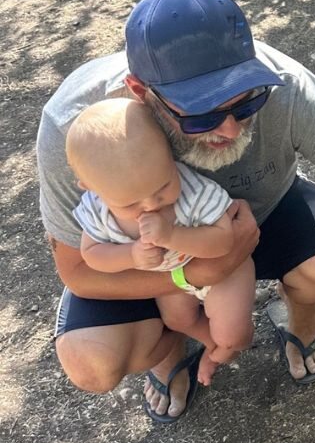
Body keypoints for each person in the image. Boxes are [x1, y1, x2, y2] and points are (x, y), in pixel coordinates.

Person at [38, 0, 315, 424]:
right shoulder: (78, 130)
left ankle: (301, 320)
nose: (231, 129)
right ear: (141, 92)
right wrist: (197, 272)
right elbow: (77, 270)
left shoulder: (288, 87)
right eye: (203, 113)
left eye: (248, 99)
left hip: (259, 214)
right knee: (92, 365)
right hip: (143, 254)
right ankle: (170, 346)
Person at [66, 98, 255, 393]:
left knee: (235, 334)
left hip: (225, 271)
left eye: (163, 186)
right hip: (171, 280)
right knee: (177, 320)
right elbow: (92, 255)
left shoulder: (193, 191)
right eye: (130, 204)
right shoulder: (96, 210)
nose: (152, 205)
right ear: (92, 188)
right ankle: (210, 345)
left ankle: (223, 351)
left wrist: (171, 236)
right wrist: (129, 255)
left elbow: (224, 241)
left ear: (170, 156)